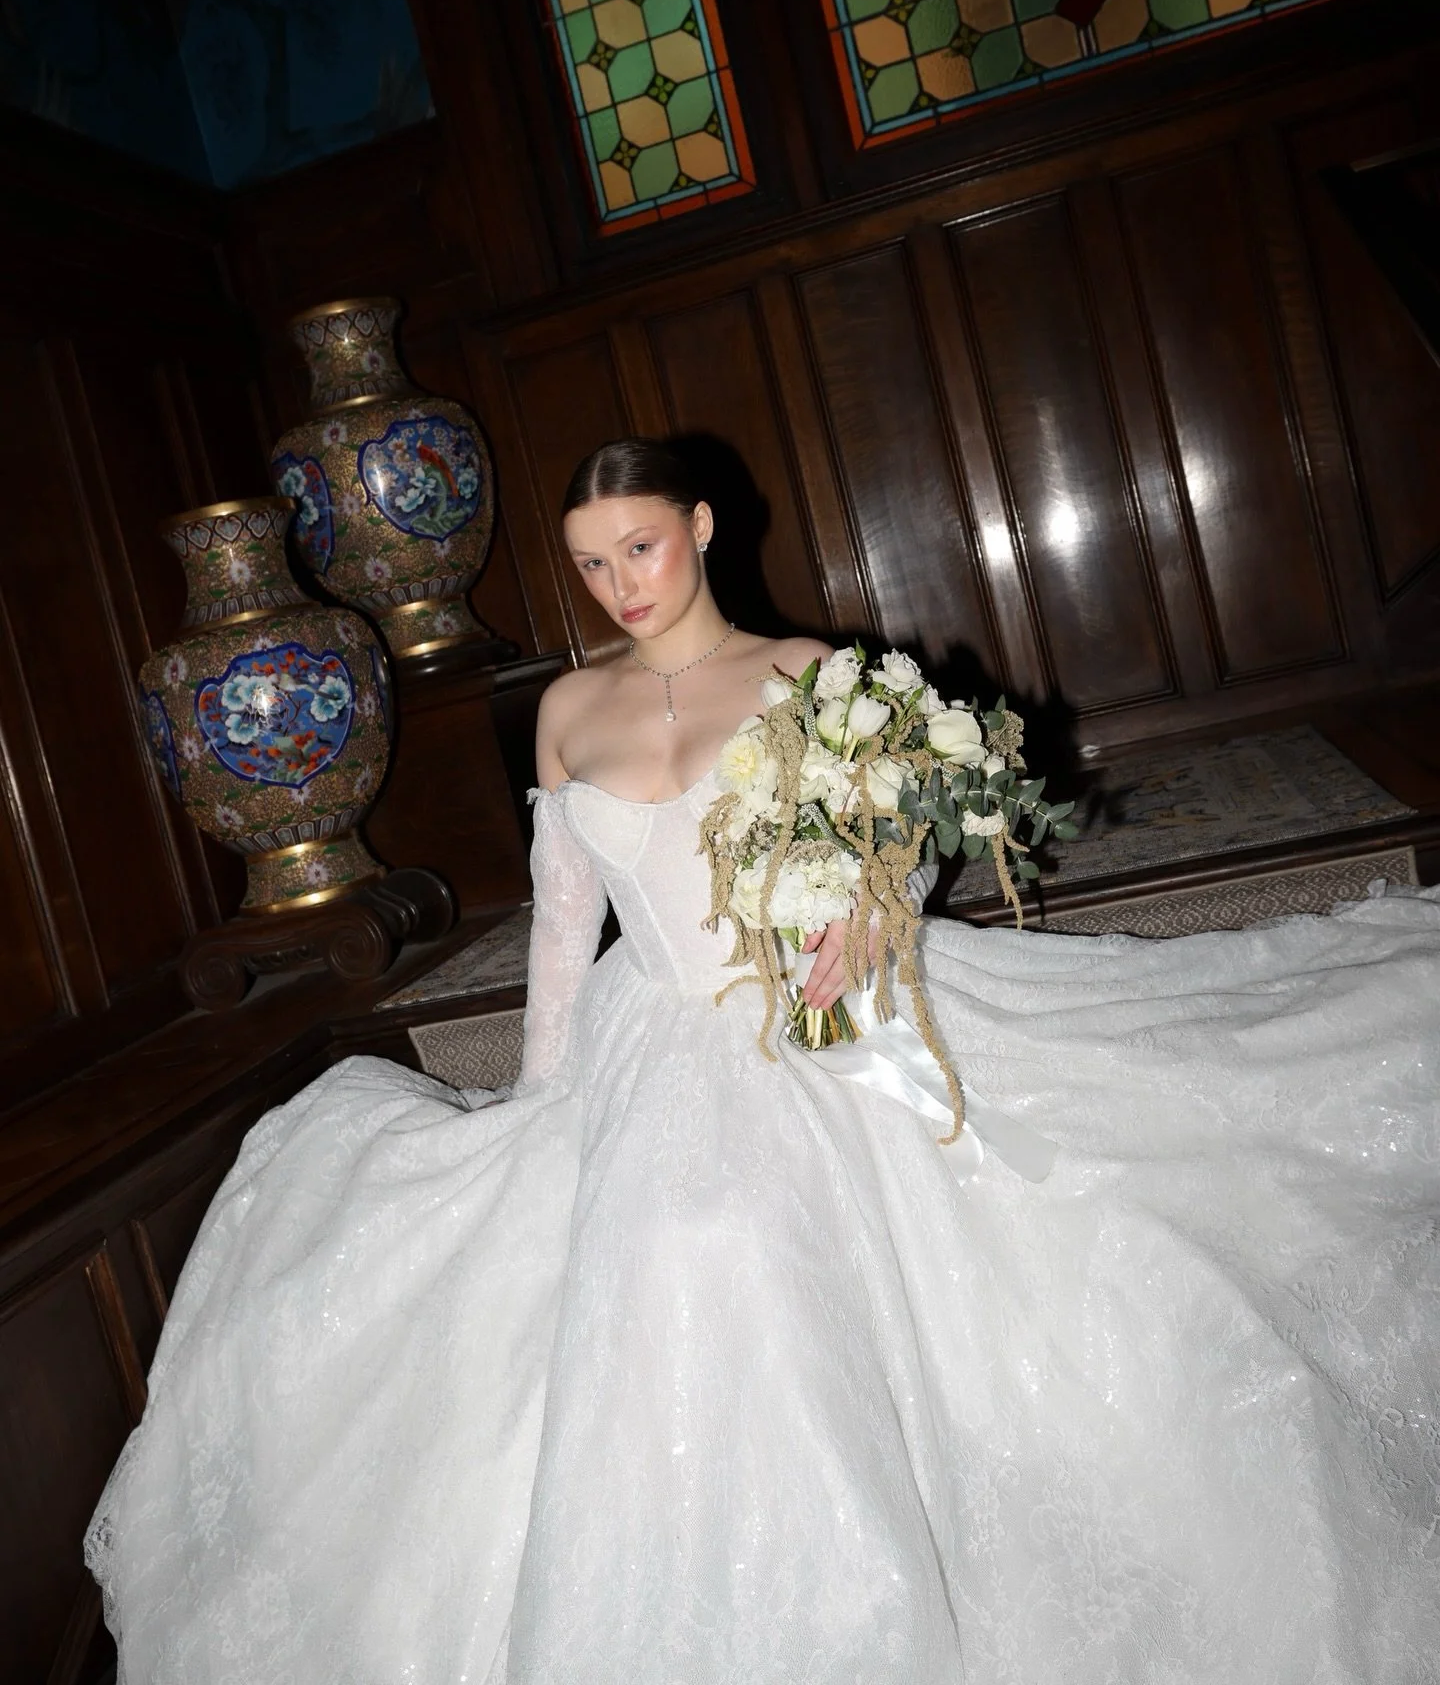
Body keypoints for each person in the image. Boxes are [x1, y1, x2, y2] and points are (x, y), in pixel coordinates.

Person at [88, 438, 1440, 1685]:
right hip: (650, 1025)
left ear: (702, 525)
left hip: (821, 1022)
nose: (619, 583)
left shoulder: (814, 677)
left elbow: (905, 852)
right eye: (591, 563)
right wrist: (541, 1109)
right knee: (668, 1232)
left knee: (789, 1228)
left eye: (642, 548)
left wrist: (874, 911)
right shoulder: (563, 710)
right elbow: (565, 931)